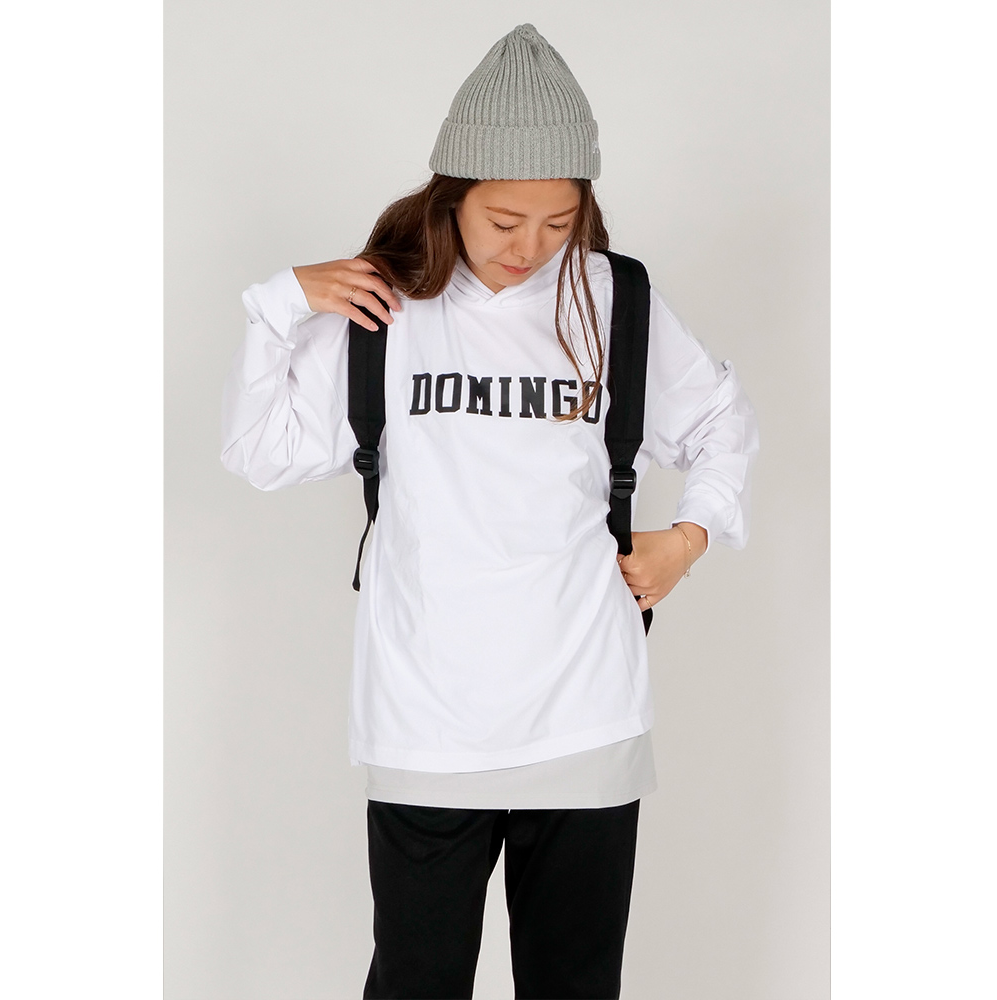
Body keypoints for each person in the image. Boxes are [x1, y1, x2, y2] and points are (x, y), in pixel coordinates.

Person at [221, 23, 758, 1000]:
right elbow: (260, 452)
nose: (530, 248)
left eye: (559, 222)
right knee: (416, 982)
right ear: (452, 195)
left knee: (574, 985)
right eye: (506, 220)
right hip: (426, 722)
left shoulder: (614, 299)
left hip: (586, 712)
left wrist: (688, 538)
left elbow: (722, 418)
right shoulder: (387, 309)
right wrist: (278, 303)